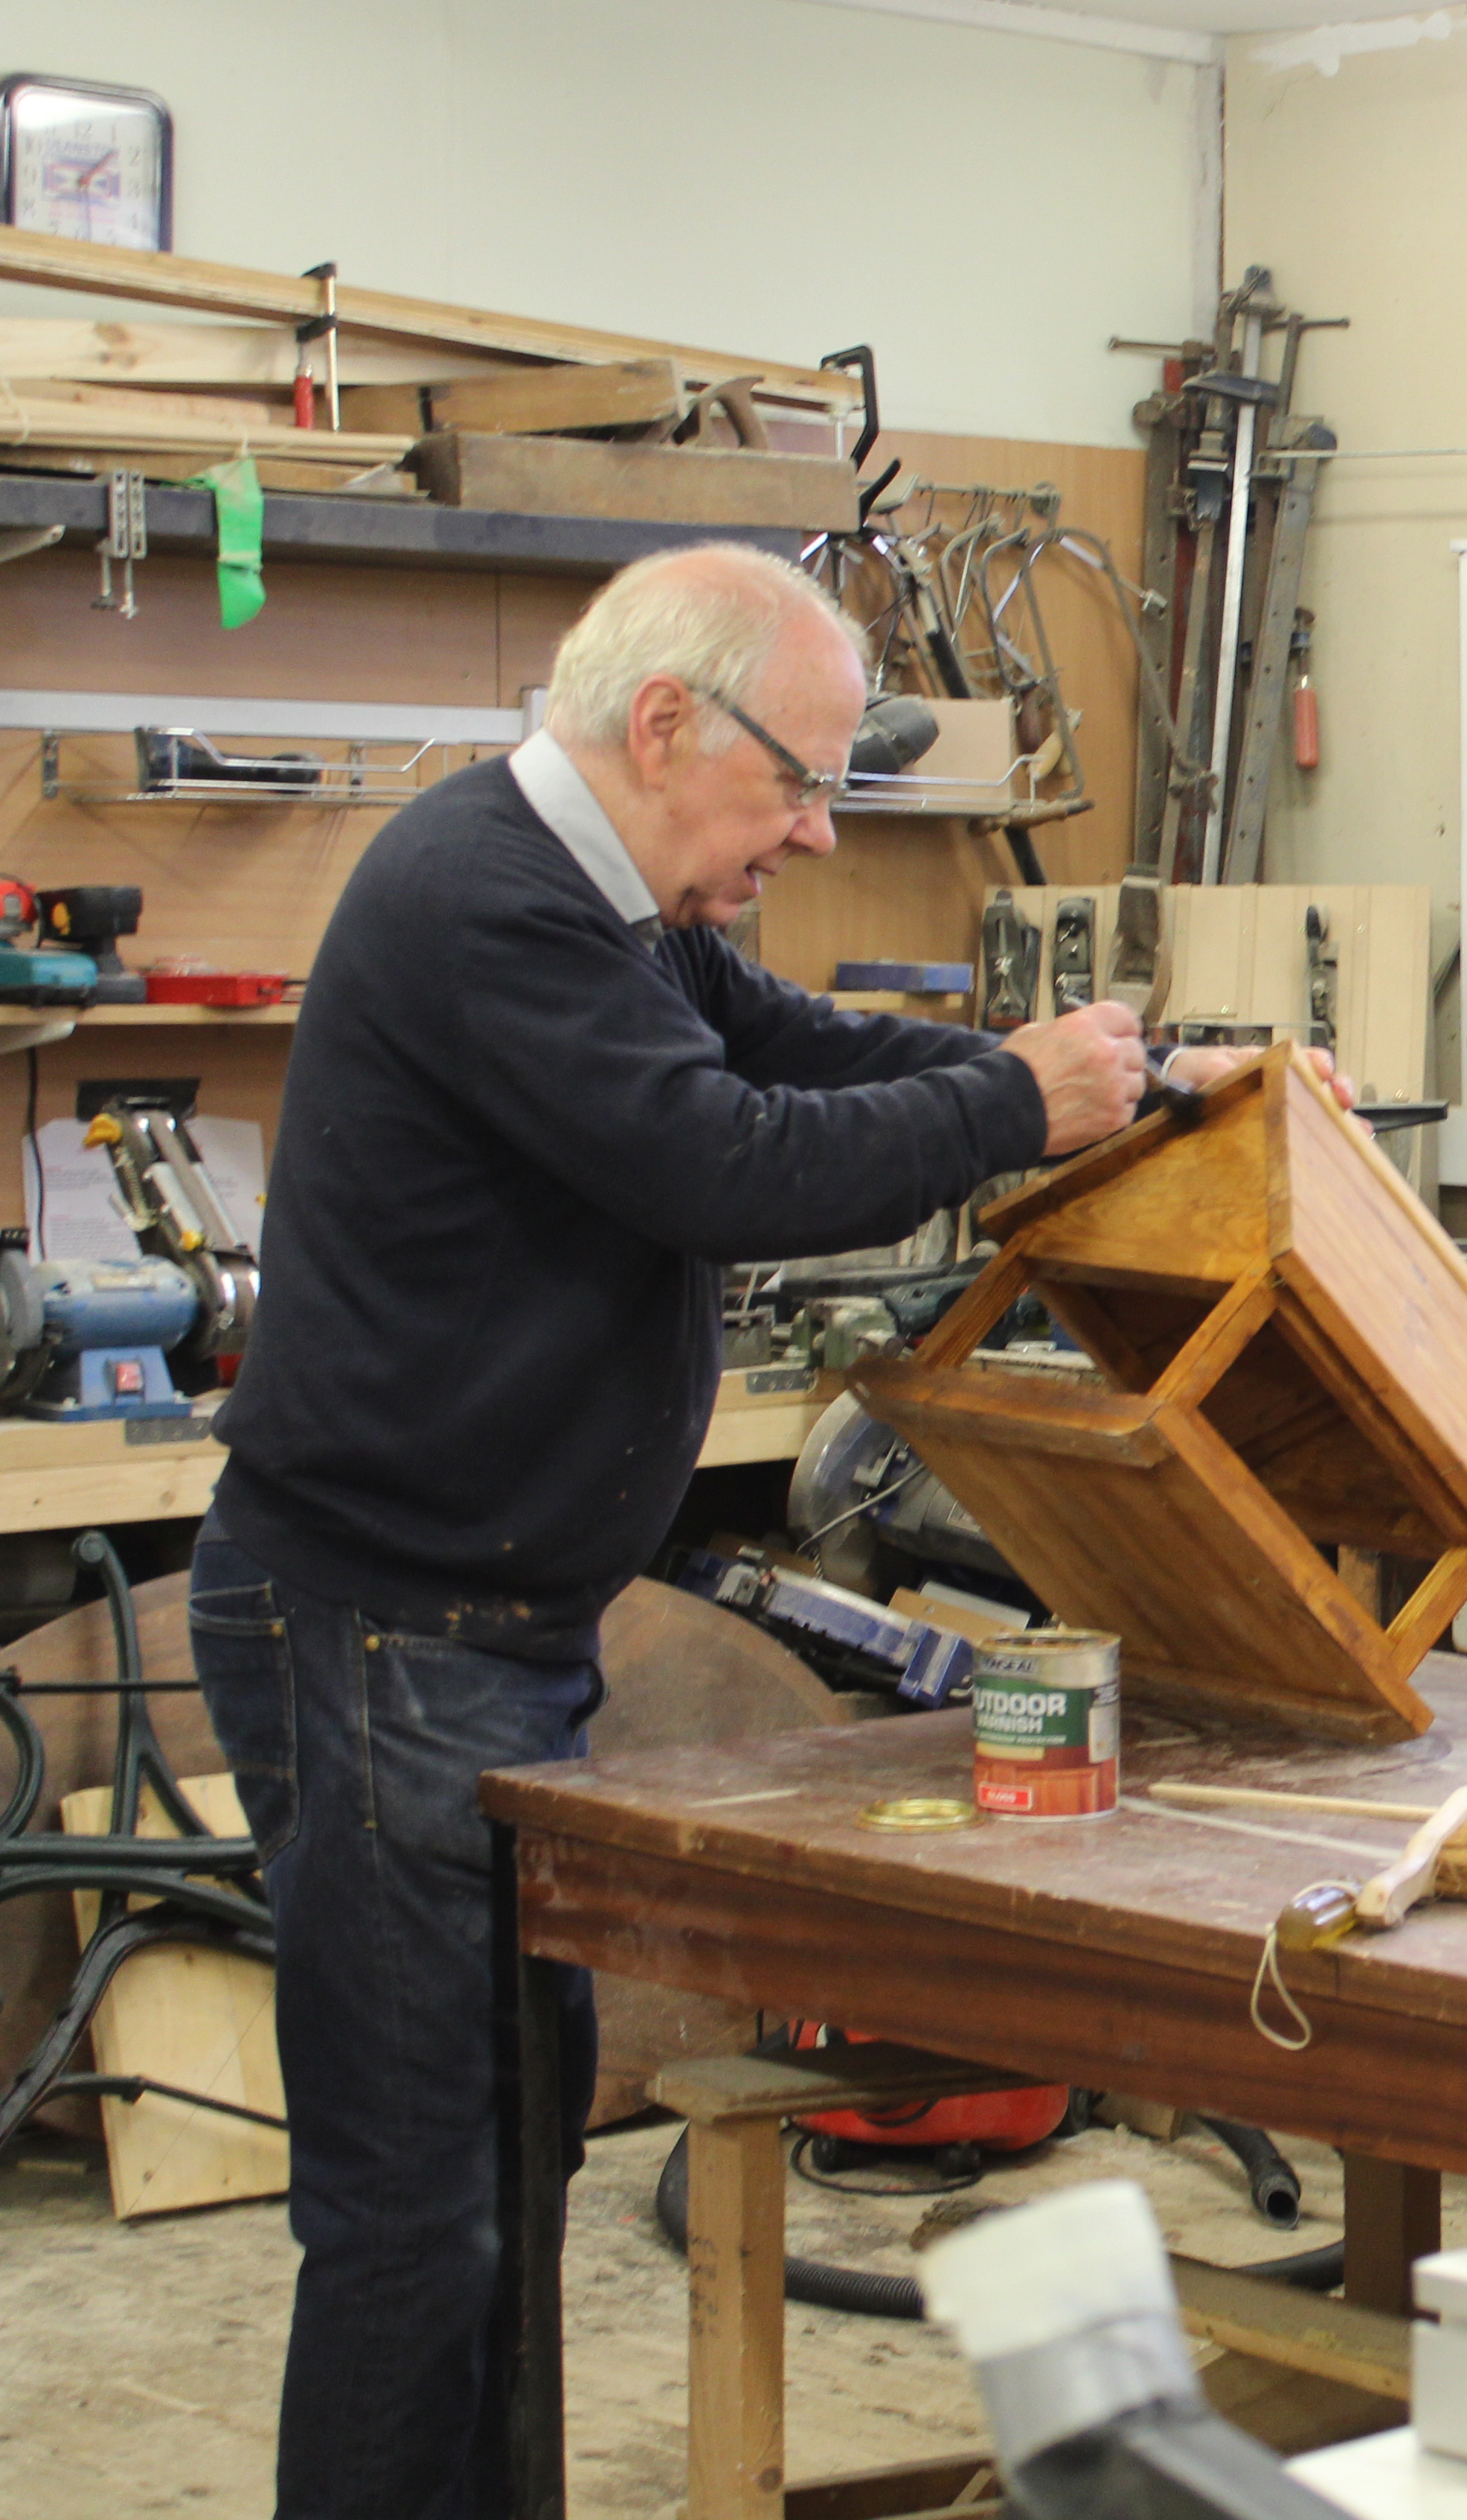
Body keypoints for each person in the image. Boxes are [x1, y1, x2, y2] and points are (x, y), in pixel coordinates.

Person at [185, 543, 1216, 2520]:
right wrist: (1018, 1097)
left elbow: (803, 1048)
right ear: (666, 723)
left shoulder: (611, 901)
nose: (814, 831)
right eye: (797, 781)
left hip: (480, 1635)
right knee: (420, 2215)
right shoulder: (483, 898)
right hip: (387, 1631)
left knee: (505, 2165)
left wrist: (1133, 1092)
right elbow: (723, 1159)